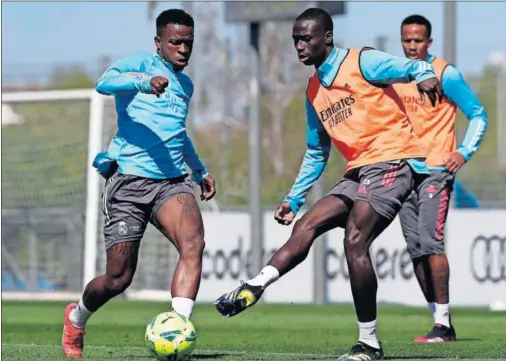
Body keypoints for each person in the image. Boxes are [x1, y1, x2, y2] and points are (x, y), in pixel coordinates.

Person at [215, 7, 443, 361]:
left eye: (305, 38)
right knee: (308, 223)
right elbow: (316, 150)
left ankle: (369, 343)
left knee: (355, 238)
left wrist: (425, 73)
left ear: (327, 37)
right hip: (359, 170)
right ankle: (255, 286)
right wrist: (294, 198)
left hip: (395, 159)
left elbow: (409, 66)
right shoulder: (312, 91)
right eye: (295, 40)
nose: (299, 46)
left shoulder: (362, 61)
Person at [61, 9, 216, 358]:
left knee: (194, 244)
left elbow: (178, 134)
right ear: (159, 42)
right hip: (129, 182)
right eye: (175, 42)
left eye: (188, 43)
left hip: (171, 183)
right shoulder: (141, 64)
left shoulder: (186, 86)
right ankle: (77, 317)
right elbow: (104, 82)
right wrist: (143, 83)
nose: (183, 49)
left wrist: (199, 170)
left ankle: (178, 331)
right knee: (118, 278)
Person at [394, 14, 488, 343]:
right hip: (403, 172)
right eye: (407, 40)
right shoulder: (398, 74)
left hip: (436, 171)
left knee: (430, 241)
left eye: (418, 40)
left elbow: (478, 114)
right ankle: (439, 322)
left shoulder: (446, 74)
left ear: (429, 42)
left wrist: (463, 151)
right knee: (415, 248)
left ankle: (444, 322)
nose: (412, 46)